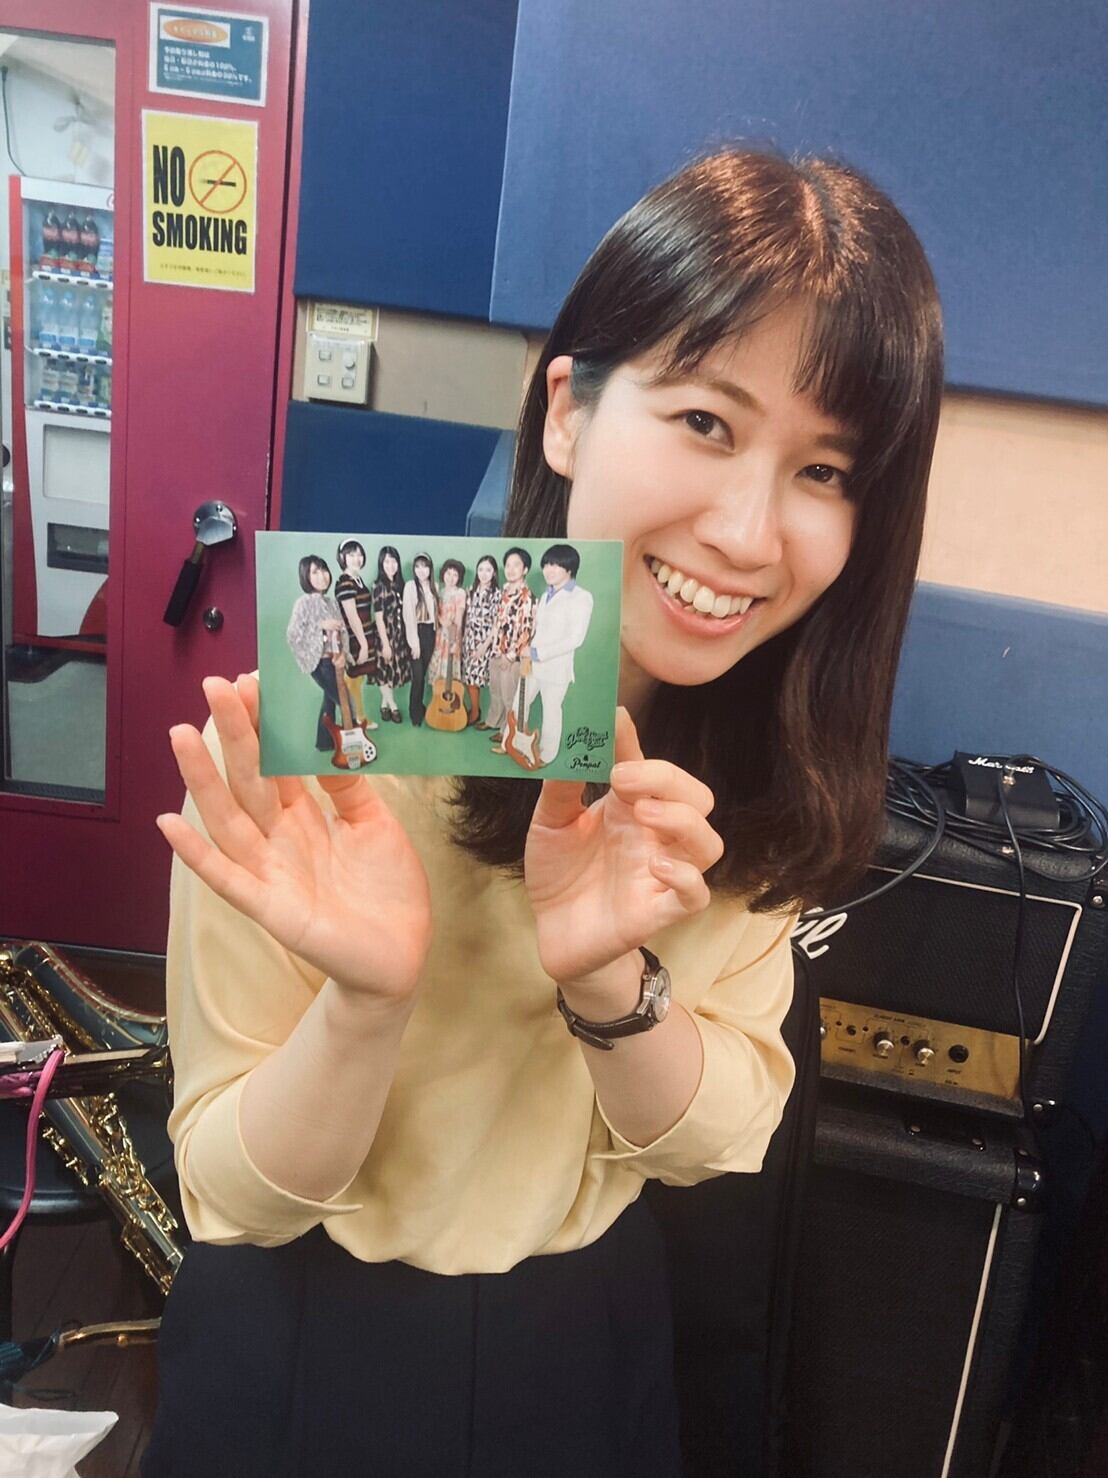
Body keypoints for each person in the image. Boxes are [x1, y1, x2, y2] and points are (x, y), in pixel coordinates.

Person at [145, 148, 943, 1477]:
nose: (750, 532)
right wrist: (365, 1002)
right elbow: (229, 1194)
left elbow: (717, 1141)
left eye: (826, 470)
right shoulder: (346, 696)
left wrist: (608, 979)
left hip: (583, 1320)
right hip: (301, 1318)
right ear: (566, 410)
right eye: (707, 422)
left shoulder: (764, 763)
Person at [515, 543, 593, 766]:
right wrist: (526, 645)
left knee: (551, 712)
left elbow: (575, 638)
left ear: (569, 568)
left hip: (556, 669)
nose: (548, 570)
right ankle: (516, 744)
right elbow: (539, 629)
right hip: (531, 664)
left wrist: (537, 652)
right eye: (546, 565)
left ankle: (546, 755)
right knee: (518, 705)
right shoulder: (545, 595)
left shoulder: (581, 597)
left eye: (555, 565)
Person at [284, 554, 348, 752]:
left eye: (323, 570)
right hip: (319, 662)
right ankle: (354, 743)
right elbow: (293, 634)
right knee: (346, 703)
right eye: (315, 572)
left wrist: (343, 654)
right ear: (306, 576)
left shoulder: (332, 602)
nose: (322, 575)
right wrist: (320, 626)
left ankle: (324, 742)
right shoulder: (303, 603)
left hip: (335, 661)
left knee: (329, 702)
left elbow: (343, 631)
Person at [485, 545, 535, 739]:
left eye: (516, 565)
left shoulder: (527, 597)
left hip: (512, 656)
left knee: (509, 696)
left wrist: (511, 656)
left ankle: (507, 732)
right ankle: (495, 722)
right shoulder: (505, 592)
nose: (511, 569)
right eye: (507, 565)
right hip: (497, 651)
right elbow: (498, 622)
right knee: (496, 690)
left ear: (525, 569)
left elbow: (526, 631)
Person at [333, 538, 378, 731]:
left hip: (365, 635)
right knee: (352, 680)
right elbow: (351, 617)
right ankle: (356, 719)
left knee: (357, 680)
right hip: (354, 639)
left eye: (359, 554)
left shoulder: (357, 579)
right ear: (342, 558)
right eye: (351, 555)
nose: (357, 559)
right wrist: (364, 645)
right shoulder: (345, 583)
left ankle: (357, 717)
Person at [461, 553, 499, 727]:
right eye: (481, 569)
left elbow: (496, 624)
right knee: (468, 678)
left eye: (488, 570)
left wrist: (485, 646)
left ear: (494, 573)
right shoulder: (470, 591)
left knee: (477, 679)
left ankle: (478, 712)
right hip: (468, 640)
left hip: (484, 642)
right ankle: (474, 709)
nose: (484, 573)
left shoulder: (496, 594)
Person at [371, 544, 409, 723]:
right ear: (381, 564)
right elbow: (378, 618)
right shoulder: (379, 586)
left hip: (398, 635)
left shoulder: (400, 584)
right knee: (383, 671)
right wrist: (385, 644)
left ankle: (383, 705)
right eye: (386, 562)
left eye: (394, 561)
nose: (390, 565)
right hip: (384, 635)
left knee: (390, 672)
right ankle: (393, 706)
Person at [402, 552, 438, 726]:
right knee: (417, 676)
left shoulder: (434, 587)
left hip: (431, 633)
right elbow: (408, 615)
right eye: (418, 567)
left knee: (422, 675)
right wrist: (414, 643)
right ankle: (415, 714)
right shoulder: (410, 586)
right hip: (416, 632)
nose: (421, 570)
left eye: (425, 566)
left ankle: (420, 706)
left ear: (430, 569)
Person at [428, 557, 468, 693]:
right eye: (448, 573)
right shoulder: (438, 591)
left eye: (455, 575)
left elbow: (459, 620)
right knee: (436, 673)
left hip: (451, 637)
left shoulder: (460, 593)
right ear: (443, 574)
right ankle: (437, 703)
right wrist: (441, 621)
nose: (451, 578)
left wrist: (455, 641)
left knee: (450, 676)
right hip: (438, 637)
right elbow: (434, 614)